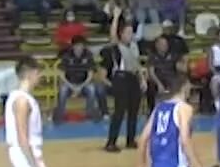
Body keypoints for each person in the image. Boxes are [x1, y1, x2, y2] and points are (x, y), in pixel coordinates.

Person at [101, 14, 144, 152]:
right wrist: (116, 17)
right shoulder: (117, 46)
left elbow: (137, 65)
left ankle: (130, 140)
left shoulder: (134, 46)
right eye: (127, 32)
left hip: (133, 78)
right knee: (120, 110)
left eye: (132, 32)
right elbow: (113, 34)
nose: (130, 35)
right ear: (121, 34)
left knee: (134, 110)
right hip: (120, 78)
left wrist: (142, 79)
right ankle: (111, 142)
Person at [56, 36, 103, 122]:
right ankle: (60, 115)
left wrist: (81, 86)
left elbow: (90, 74)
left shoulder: (88, 55)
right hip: (69, 83)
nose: (79, 48)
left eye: (81, 46)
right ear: (73, 46)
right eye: (77, 46)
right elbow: (62, 74)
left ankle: (90, 112)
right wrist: (71, 86)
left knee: (92, 89)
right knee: (62, 90)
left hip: (84, 83)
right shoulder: (66, 55)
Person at [145, 35, 184, 115]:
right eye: (162, 44)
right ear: (157, 45)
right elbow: (151, 73)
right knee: (150, 87)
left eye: (166, 44)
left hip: (171, 79)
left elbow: (180, 68)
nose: (164, 46)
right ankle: (152, 111)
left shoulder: (173, 55)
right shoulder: (152, 56)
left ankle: (176, 111)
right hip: (157, 79)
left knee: (178, 84)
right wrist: (159, 84)